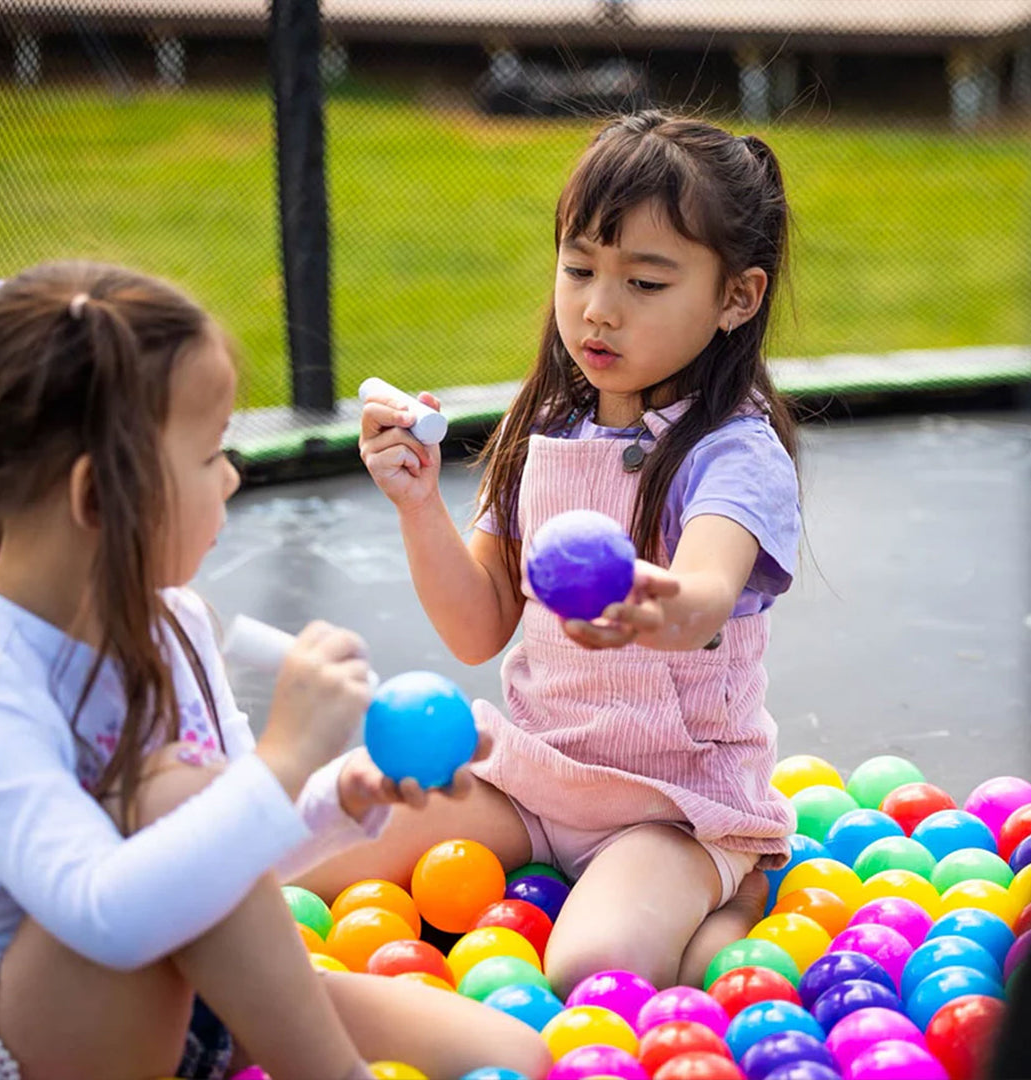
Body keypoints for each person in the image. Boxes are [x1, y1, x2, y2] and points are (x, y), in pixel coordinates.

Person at [0, 263, 549, 1080]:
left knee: (512, 1051)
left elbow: (237, 867)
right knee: (171, 791)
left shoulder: (175, 623)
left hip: (189, 1000)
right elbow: (108, 918)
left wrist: (347, 793)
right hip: (39, 1036)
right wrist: (281, 761)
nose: (233, 477)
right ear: (98, 498)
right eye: (209, 457)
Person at [302, 111, 802, 998]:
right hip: (531, 779)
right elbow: (476, 628)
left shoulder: (735, 454)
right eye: (578, 269)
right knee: (310, 849)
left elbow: (706, 593)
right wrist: (419, 505)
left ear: (738, 298)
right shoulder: (541, 432)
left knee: (591, 968)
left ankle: (737, 882)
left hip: (672, 807)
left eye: (646, 282)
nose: (597, 308)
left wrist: (658, 604)